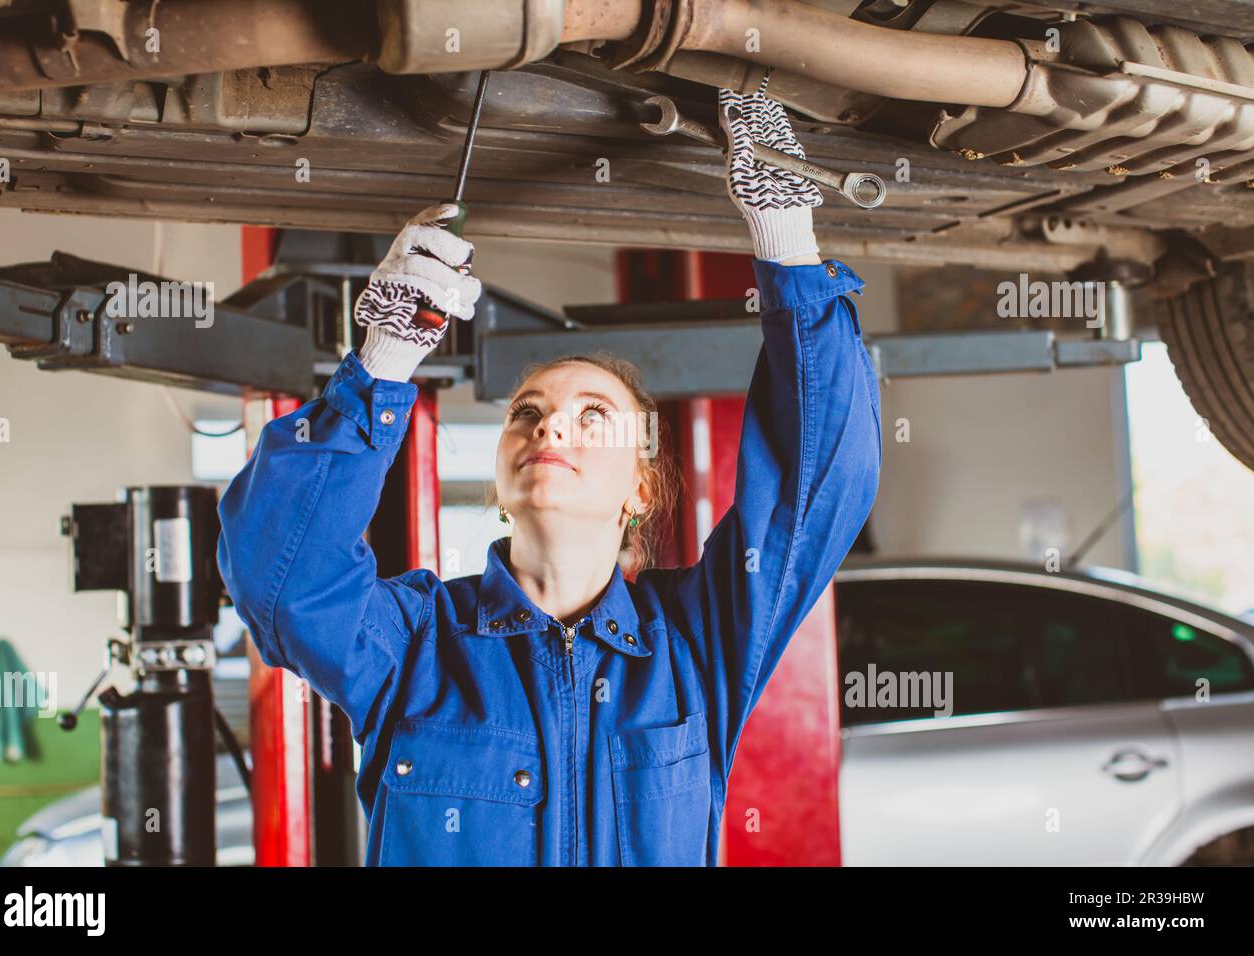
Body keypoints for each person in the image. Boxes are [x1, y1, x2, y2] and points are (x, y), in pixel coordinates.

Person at [217, 74, 882, 866]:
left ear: (640, 487)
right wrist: (382, 360)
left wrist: (787, 239)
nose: (550, 423)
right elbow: (280, 580)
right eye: (526, 413)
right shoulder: (422, 642)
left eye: (593, 414)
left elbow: (822, 485)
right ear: (502, 483)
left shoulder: (697, 644)